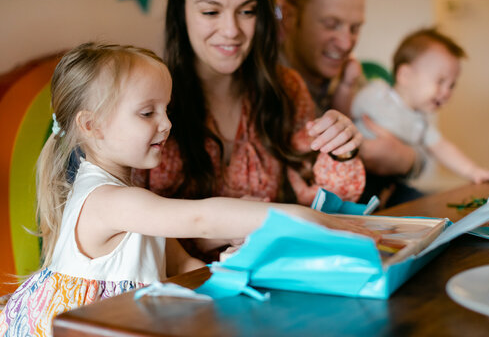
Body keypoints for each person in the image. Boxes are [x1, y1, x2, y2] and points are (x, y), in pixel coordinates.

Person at [0, 43, 375, 337]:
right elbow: (201, 217)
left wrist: (233, 278)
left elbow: (182, 265)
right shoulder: (107, 200)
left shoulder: (127, 197)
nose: (166, 124)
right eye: (147, 113)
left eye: (166, 109)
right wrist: (303, 218)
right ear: (91, 126)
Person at [132, 0, 368, 260]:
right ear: (180, 12)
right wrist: (217, 229)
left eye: (247, 11)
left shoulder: (287, 90)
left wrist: (341, 149)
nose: (232, 30)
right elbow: (124, 227)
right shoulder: (145, 96)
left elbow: (326, 205)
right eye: (211, 12)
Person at [280, 0, 425, 206]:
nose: (347, 44)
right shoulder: (266, 84)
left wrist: (405, 159)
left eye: (355, 28)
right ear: (289, 17)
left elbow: (419, 150)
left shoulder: (353, 77)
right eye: (330, 24)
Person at [351, 28, 489, 184]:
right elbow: (343, 112)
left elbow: (442, 147)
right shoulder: (377, 93)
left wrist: (473, 171)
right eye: (440, 81)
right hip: (351, 170)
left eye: (451, 86)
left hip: (388, 184)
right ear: (405, 75)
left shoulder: (420, 124)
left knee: (418, 201)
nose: (446, 92)